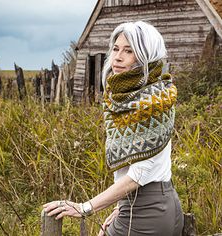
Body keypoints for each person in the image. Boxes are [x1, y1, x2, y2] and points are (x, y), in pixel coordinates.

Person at [43, 21, 184, 236]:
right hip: (145, 206)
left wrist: (85, 208)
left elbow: (139, 174)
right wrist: (120, 207)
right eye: (116, 49)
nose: (117, 57)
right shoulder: (144, 97)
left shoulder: (152, 104)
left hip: (148, 213)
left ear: (147, 56)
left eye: (129, 51)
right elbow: (134, 166)